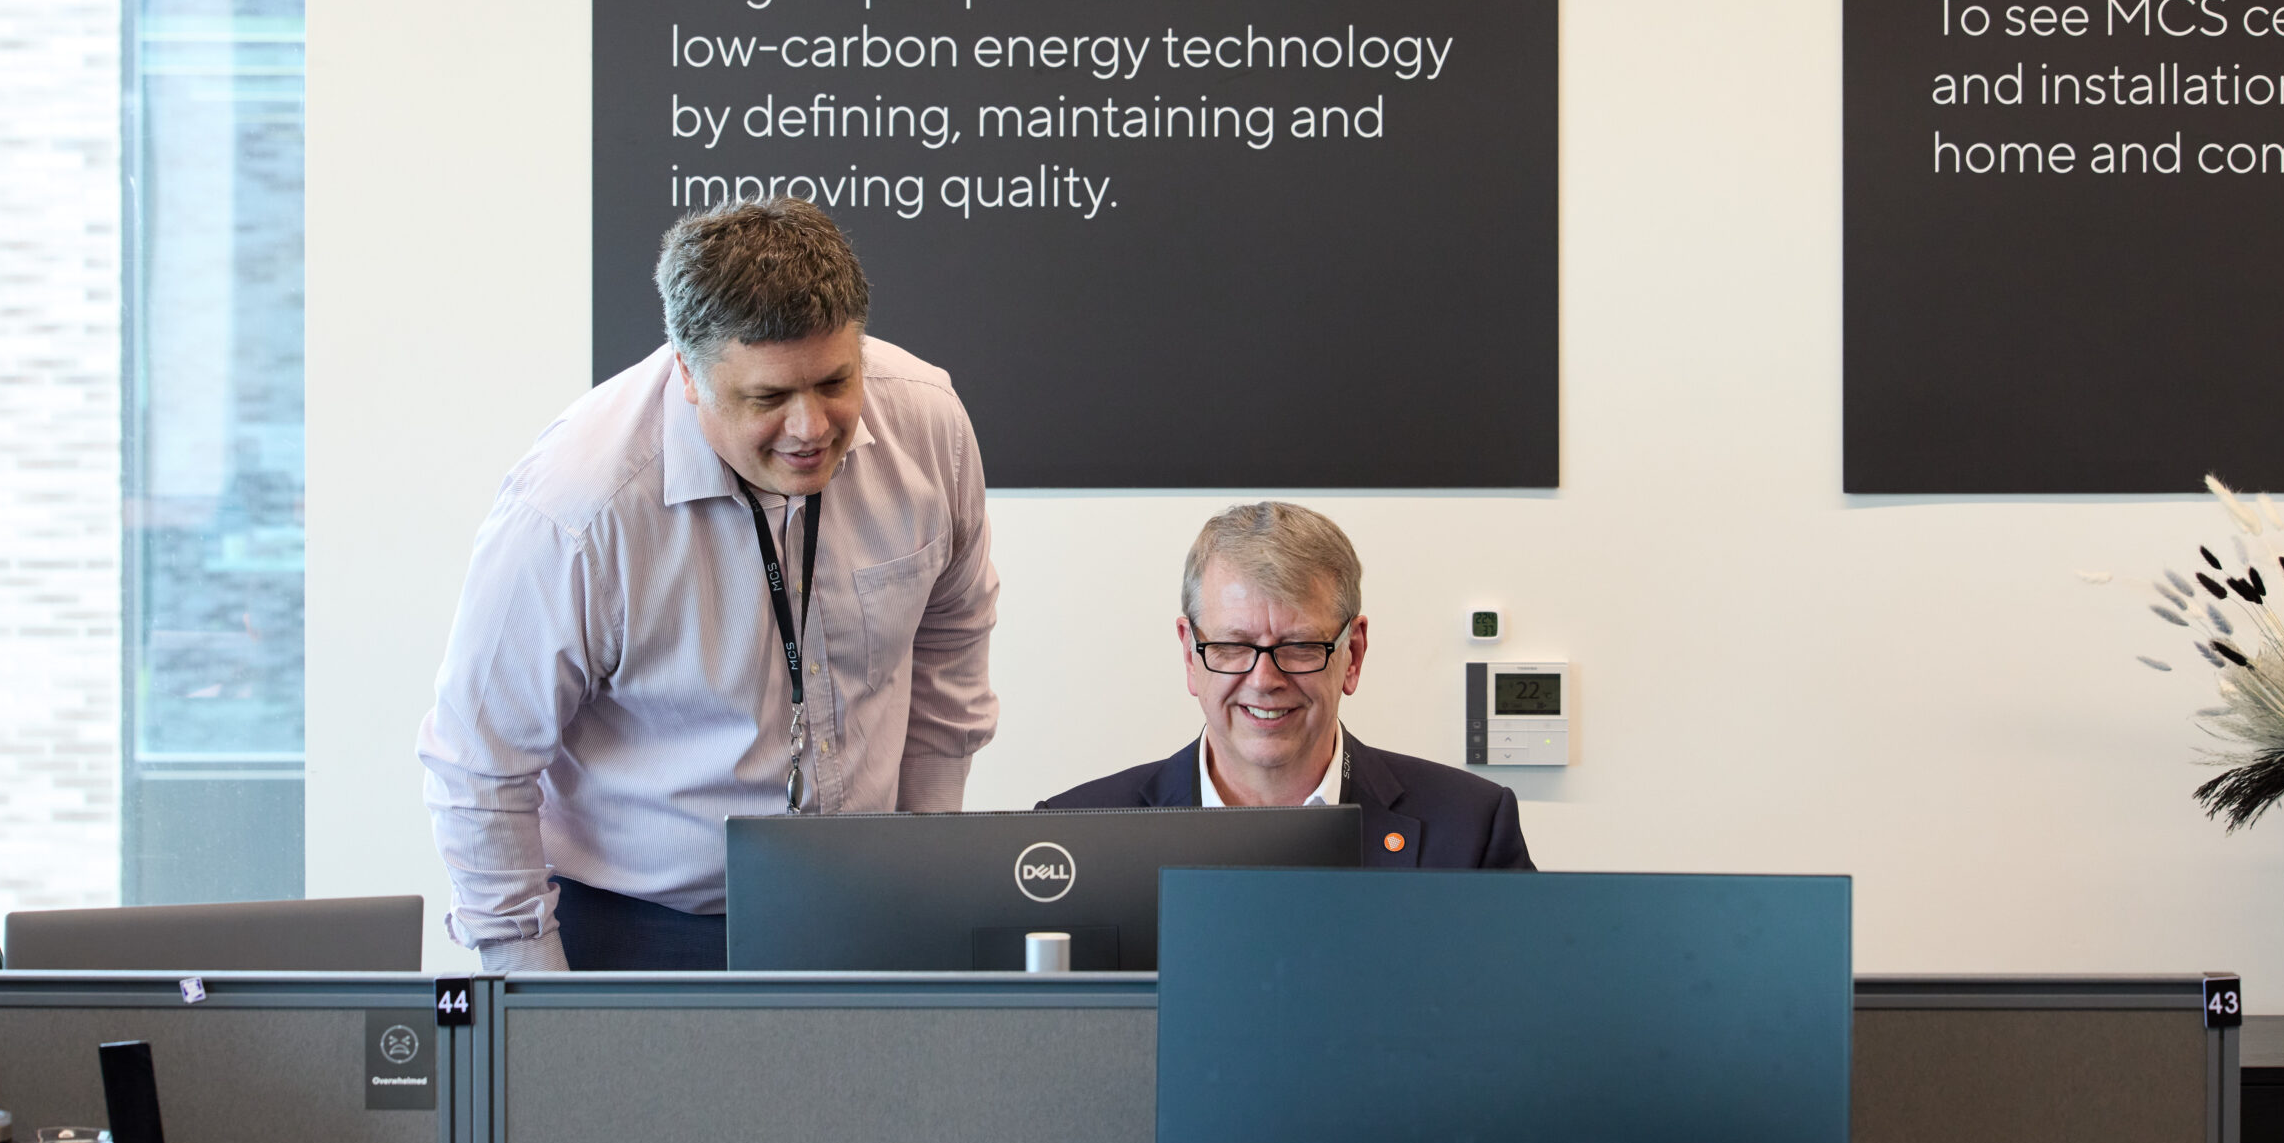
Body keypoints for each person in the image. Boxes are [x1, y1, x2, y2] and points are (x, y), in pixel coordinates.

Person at [418, 199, 1001, 971]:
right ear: (688, 374)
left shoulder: (927, 422)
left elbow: (952, 636)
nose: (811, 427)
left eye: (835, 380)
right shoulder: (577, 510)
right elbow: (478, 764)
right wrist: (536, 996)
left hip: (871, 901)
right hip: (641, 929)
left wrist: (926, 856)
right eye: (768, 397)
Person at [1040, 501, 1533, 869]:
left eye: (1299, 646)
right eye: (1232, 646)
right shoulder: (1074, 835)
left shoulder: (1471, 830)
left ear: (1354, 654)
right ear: (1190, 654)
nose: (1264, 680)